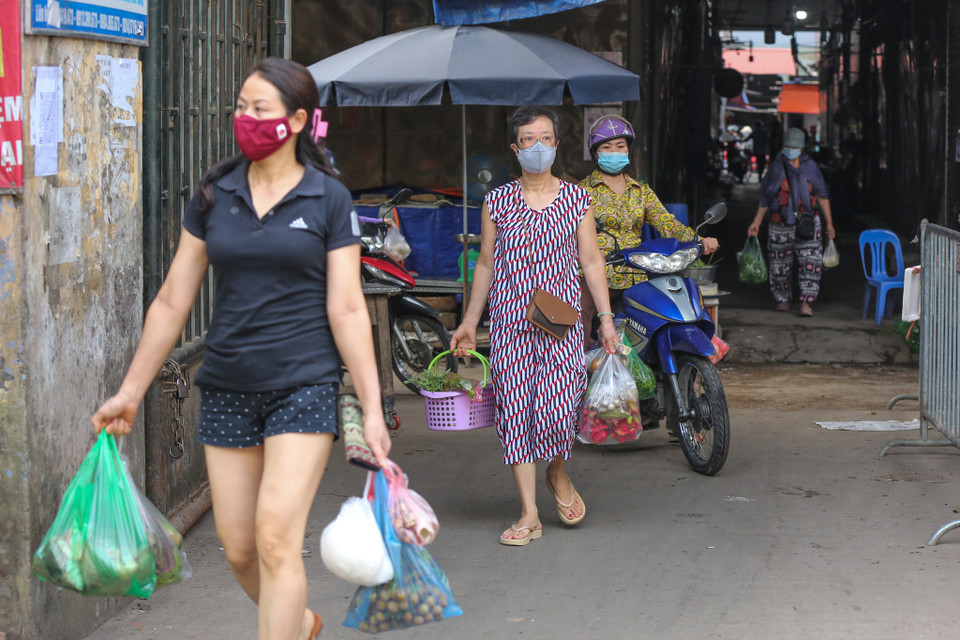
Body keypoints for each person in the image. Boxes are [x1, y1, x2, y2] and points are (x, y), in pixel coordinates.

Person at [91, 58, 391, 640]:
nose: (246, 119)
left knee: (277, 537)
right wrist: (130, 391)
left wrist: (374, 409)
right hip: (228, 384)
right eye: (241, 107)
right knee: (240, 548)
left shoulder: (327, 198)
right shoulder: (214, 194)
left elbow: (348, 307)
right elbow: (173, 300)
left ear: (299, 120)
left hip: (303, 384)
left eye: (261, 109)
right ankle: (299, 623)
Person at [449, 106, 618, 546]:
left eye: (546, 138)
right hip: (510, 323)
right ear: (515, 148)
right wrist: (470, 322)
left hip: (561, 323)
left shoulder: (577, 199)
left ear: (557, 145)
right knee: (516, 414)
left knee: (562, 409)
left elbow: (591, 261)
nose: (538, 146)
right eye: (528, 139)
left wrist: (605, 320)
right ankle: (528, 514)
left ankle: (557, 473)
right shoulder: (497, 201)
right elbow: (485, 263)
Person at [578, 113, 719, 343]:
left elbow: (667, 223)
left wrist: (698, 239)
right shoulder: (581, 192)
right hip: (597, 274)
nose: (614, 151)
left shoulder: (641, 191)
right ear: (596, 153)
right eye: (607, 146)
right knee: (577, 315)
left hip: (637, 271)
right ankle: (579, 372)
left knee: (668, 311)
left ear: (628, 151)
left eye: (620, 146)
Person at [748, 127, 836, 317]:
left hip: (809, 222)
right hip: (779, 223)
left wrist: (829, 223)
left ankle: (806, 302)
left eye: (794, 147)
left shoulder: (811, 167)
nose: (791, 150)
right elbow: (766, 197)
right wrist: (757, 222)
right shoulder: (776, 167)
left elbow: (822, 196)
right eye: (788, 146)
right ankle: (783, 299)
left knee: (811, 263)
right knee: (779, 264)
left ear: (802, 148)